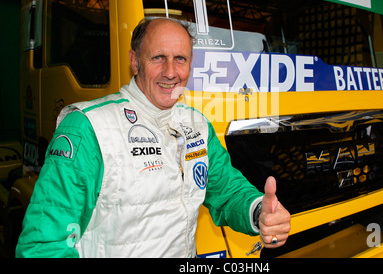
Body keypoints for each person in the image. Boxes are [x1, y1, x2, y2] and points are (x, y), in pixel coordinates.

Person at [16, 17, 291, 258]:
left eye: (180, 59)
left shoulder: (196, 123)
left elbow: (226, 191)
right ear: (135, 61)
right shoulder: (88, 127)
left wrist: (259, 212)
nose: (171, 72)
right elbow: (43, 245)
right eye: (158, 57)